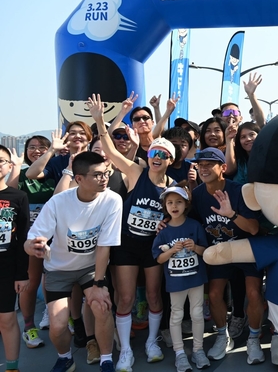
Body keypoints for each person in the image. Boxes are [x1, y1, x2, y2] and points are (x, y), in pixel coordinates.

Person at [89, 94, 174, 371]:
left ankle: (152, 342)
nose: (156, 157)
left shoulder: (173, 186)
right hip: (126, 245)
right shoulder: (137, 172)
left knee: (153, 296)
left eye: (162, 154)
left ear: (170, 159)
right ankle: (125, 349)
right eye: (153, 153)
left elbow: (178, 216)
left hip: (152, 249)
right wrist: (100, 121)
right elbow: (111, 152)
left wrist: (166, 224)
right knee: (125, 298)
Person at [24, 151, 122, 372]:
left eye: (105, 173)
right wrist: (31, 246)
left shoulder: (112, 200)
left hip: (90, 268)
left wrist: (98, 284)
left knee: (102, 306)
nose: (104, 179)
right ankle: (65, 358)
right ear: (79, 178)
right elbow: (32, 239)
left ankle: (106, 359)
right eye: (97, 175)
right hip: (58, 270)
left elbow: (104, 246)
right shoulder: (58, 202)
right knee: (58, 325)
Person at [189, 148, 264, 364]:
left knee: (254, 293)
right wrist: (166, 223)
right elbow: (189, 221)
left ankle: (253, 338)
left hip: (246, 249)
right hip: (220, 250)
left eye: (209, 164)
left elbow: (253, 229)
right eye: (200, 165)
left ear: (223, 167)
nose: (203, 169)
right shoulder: (198, 194)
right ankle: (223, 336)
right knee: (213, 294)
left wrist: (231, 214)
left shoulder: (239, 191)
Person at [152, 185, 210, 372]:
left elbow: (205, 251)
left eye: (178, 202)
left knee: (197, 314)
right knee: (176, 315)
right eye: (169, 202)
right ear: (165, 206)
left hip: (196, 279)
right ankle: (179, 353)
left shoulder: (194, 226)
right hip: (175, 281)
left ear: (186, 205)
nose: (174, 206)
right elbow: (158, 258)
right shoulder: (163, 231)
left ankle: (198, 350)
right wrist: (171, 251)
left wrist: (195, 247)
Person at [6, 136, 55, 348]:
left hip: (56, 237)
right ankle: (28, 328)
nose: (36, 150)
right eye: (32, 147)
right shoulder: (23, 175)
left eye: (42, 147)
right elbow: (9, 193)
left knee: (57, 279)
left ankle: (62, 317)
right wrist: (16, 167)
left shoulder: (55, 173)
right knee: (31, 280)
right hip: (30, 238)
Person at [0, 144, 30, 372]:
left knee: (7, 319)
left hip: (6, 268)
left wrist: (22, 274)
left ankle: (12, 367)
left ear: (9, 166)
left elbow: (22, 239)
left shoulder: (18, 197)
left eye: (1, 160)